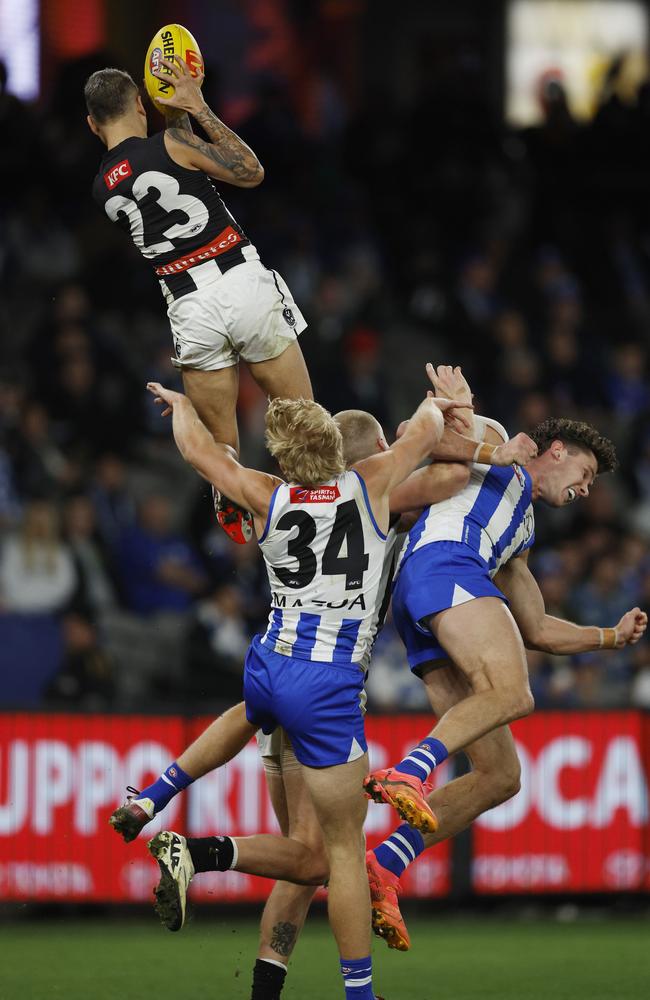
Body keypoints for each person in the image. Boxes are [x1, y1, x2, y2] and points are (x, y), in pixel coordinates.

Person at [141, 377, 470, 1000]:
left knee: (305, 862)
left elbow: (204, 456)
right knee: (331, 859)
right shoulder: (377, 488)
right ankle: (200, 856)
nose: (389, 450)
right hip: (328, 687)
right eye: (380, 444)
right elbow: (450, 473)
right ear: (361, 455)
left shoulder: (273, 496)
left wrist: (184, 409)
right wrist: (453, 412)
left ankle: (259, 976)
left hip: (275, 672)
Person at [363, 366, 647, 950]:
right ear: (558, 450)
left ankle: (386, 863)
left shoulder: (520, 530)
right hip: (444, 564)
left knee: (501, 776)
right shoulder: (497, 437)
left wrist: (609, 637)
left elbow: (538, 627)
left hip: (427, 604)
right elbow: (419, 436)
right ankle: (408, 772)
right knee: (515, 692)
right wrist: (494, 447)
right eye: (585, 474)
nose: (586, 490)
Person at [84, 57, 312, 544]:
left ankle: (235, 504)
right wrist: (195, 106)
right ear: (141, 105)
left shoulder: (103, 188)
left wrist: (174, 119)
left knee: (223, 445)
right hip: (239, 279)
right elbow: (250, 172)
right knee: (302, 420)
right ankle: (316, 510)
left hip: (188, 305)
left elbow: (151, 166)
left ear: (91, 124)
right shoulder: (170, 141)